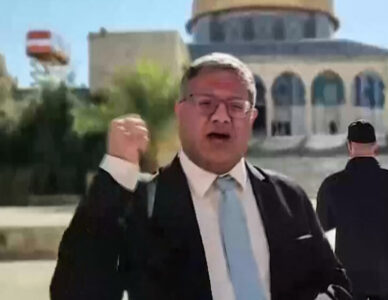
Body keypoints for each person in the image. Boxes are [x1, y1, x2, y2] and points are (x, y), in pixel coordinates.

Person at [50, 53, 351, 300]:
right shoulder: (143, 205)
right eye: (206, 103)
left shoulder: (288, 197)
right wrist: (116, 172)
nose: (221, 116)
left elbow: (335, 281)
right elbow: (74, 292)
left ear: (251, 119)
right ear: (181, 112)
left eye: (236, 106)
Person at [316, 121, 388, 300]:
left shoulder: (332, 185)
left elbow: (318, 232)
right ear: (375, 147)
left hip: (349, 281)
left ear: (349, 146)